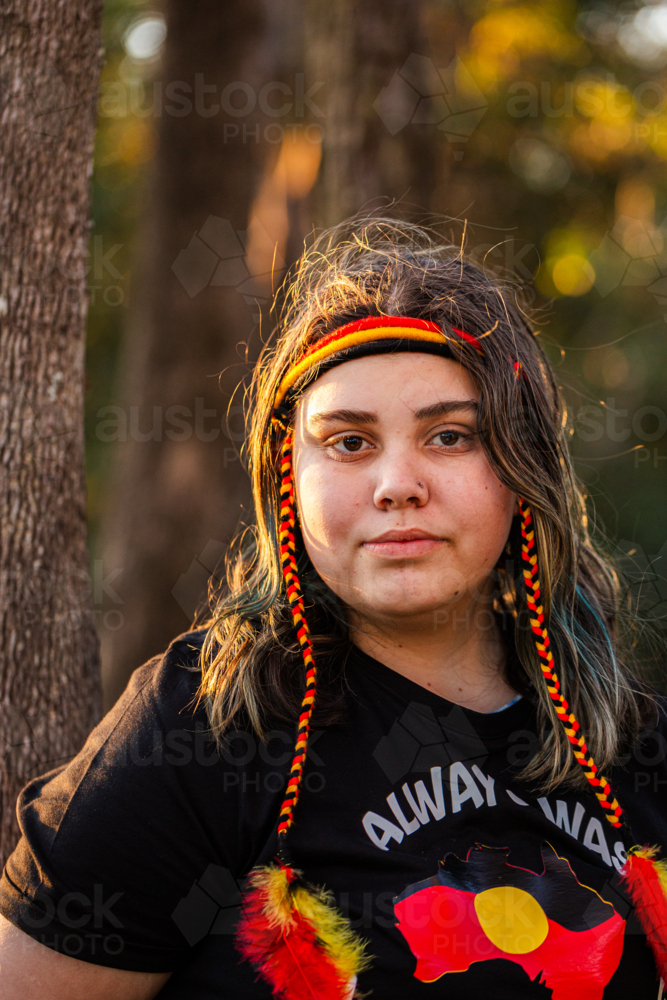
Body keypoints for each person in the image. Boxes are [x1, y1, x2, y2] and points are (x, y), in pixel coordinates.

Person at [1, 219, 666, 1000]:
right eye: (348, 442)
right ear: (290, 482)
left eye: (449, 436)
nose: (396, 483)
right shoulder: (204, 727)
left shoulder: (628, 742)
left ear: (522, 469)